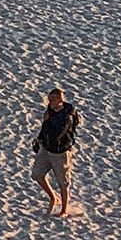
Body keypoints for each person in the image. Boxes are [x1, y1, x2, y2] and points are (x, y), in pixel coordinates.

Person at [33, 87, 81, 218]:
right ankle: (53, 197)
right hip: (46, 149)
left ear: (60, 100)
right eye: (49, 99)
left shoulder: (67, 115)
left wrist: (47, 121)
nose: (49, 102)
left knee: (63, 182)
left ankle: (64, 210)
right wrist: (39, 139)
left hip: (60, 152)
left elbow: (58, 134)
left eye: (52, 99)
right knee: (37, 174)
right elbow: (45, 129)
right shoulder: (50, 110)